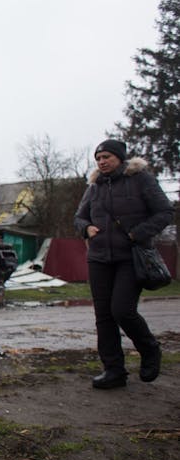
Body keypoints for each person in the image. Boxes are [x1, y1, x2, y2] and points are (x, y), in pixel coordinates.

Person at [74, 139, 173, 390]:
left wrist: (138, 233)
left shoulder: (140, 179)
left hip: (130, 258)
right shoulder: (94, 186)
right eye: (98, 158)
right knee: (104, 316)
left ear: (120, 157)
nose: (101, 162)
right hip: (98, 258)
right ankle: (114, 371)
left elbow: (164, 212)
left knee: (122, 310)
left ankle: (149, 349)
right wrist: (86, 228)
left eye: (106, 156)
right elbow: (79, 217)